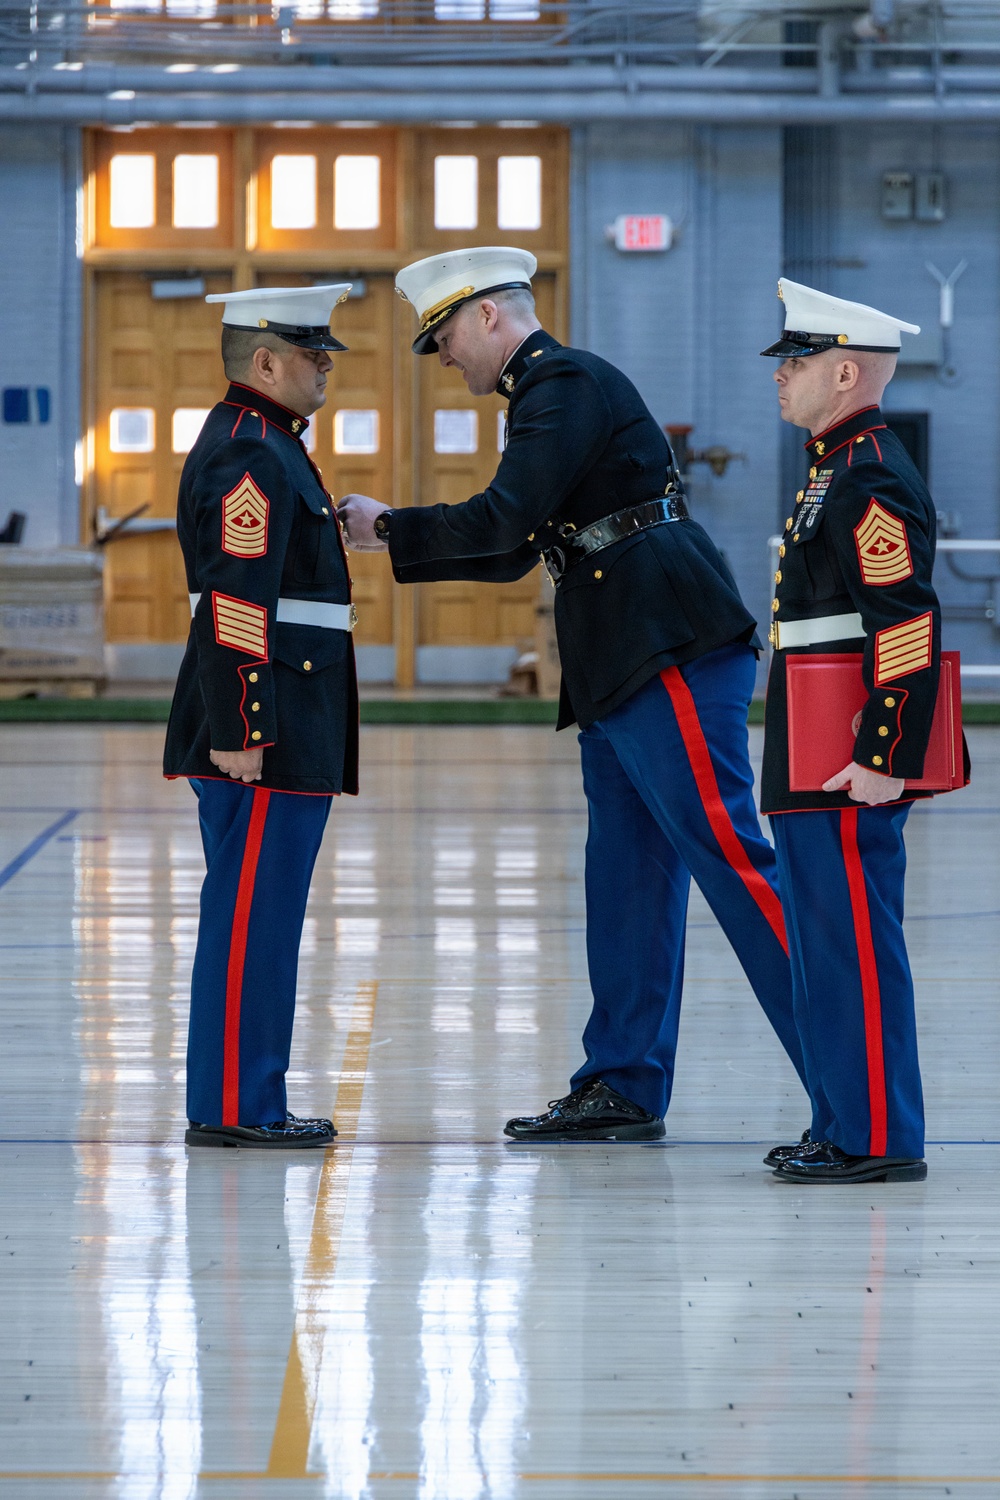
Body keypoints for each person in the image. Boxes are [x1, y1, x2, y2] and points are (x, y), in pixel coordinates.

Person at [339, 246, 808, 1143]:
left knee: (733, 862)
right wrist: (387, 544)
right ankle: (622, 1085)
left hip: (663, 640)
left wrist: (390, 525)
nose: (442, 359)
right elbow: (516, 548)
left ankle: (848, 1084)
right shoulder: (543, 398)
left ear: (488, 316)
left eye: (442, 338)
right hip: (618, 654)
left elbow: (503, 520)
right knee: (628, 880)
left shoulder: (563, 384)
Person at [759, 277, 964, 1184]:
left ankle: (877, 1136)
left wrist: (882, 760)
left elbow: (906, 624)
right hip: (817, 751)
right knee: (825, 952)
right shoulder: (835, 466)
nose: (782, 377)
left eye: (796, 362)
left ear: (845, 372)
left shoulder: (869, 469)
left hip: (848, 760)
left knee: (854, 954)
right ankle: (844, 1123)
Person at [164, 284, 360, 1149]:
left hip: (283, 717)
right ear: (266, 361)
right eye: (312, 353)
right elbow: (235, 600)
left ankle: (246, 1097)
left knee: (263, 918)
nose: (325, 367)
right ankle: (239, 1106)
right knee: (253, 921)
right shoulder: (252, 453)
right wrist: (243, 730)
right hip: (264, 727)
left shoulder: (267, 443)